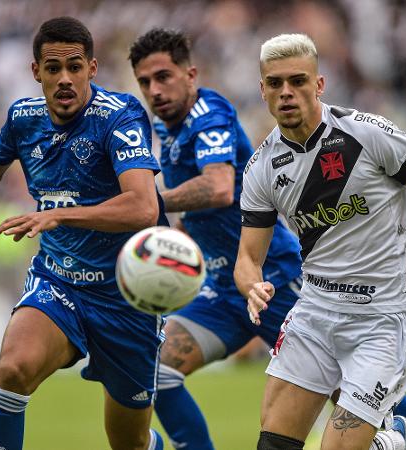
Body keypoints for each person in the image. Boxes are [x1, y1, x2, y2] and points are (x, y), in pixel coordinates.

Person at [0, 17, 167, 450]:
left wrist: (61, 216)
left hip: (127, 296)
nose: (65, 79)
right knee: (12, 370)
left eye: (75, 67)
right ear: (35, 71)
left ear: (92, 69)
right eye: (53, 68)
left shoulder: (118, 117)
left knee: (129, 442)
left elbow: (142, 206)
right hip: (59, 282)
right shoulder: (23, 120)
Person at [234, 32, 406, 450]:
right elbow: (247, 256)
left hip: (383, 319)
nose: (287, 92)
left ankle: (391, 442)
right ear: (262, 90)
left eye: (298, 81)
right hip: (315, 314)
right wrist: (252, 285)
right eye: (276, 83)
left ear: (319, 84)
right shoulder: (261, 169)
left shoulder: (369, 135)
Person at [129, 28, 303, 450]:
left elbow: (221, 188)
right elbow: (195, 208)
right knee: (157, 371)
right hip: (224, 290)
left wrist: (147, 202)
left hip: (270, 279)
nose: (155, 90)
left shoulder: (210, 114)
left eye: (164, 77)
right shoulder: (165, 126)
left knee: (340, 390)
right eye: (145, 82)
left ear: (191, 74)